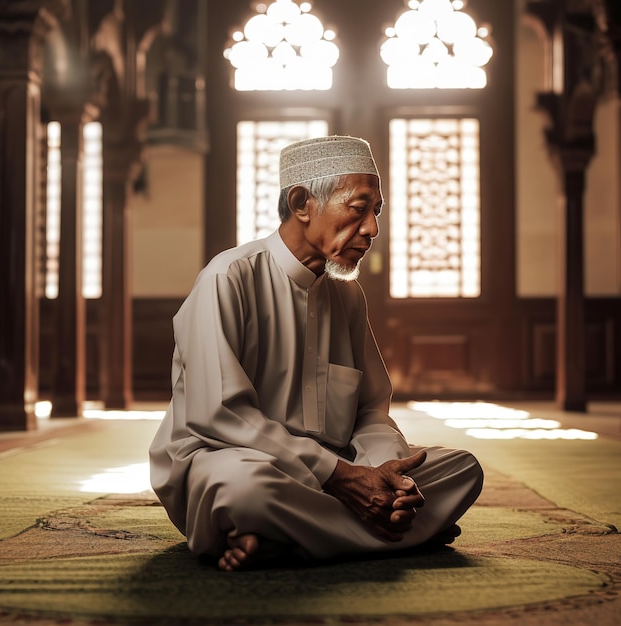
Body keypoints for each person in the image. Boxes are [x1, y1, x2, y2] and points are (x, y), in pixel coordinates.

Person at [149, 135, 484, 572]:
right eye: (358, 208)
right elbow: (219, 416)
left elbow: (370, 412)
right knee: (245, 490)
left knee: (463, 469)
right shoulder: (227, 278)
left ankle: (284, 542)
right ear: (302, 202)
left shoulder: (348, 298)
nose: (372, 229)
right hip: (232, 459)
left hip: (339, 473)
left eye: (376, 212)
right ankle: (399, 534)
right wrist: (343, 479)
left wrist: (384, 477)